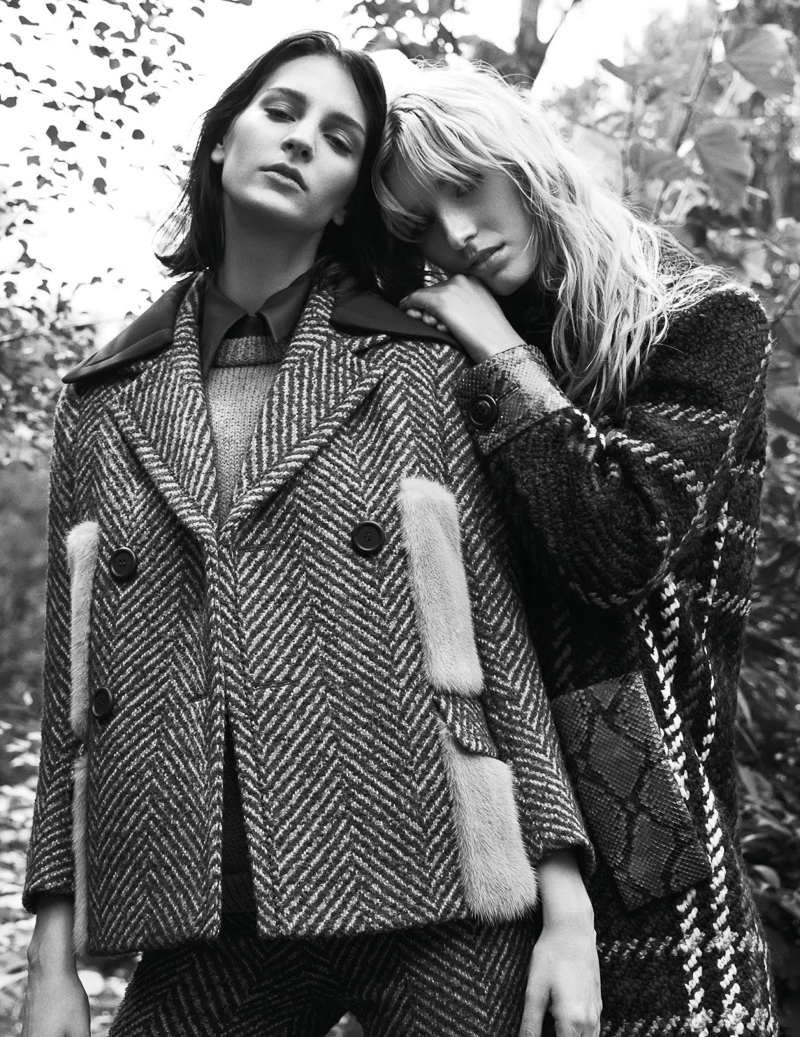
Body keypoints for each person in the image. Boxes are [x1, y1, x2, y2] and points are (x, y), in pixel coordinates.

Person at [22, 32, 602, 1037]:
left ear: (345, 198)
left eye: (338, 138)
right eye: (281, 113)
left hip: (438, 877)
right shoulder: (102, 396)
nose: (301, 142)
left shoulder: (413, 363)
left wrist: (566, 900)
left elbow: (495, 640)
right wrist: (51, 954)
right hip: (203, 904)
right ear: (222, 140)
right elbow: (72, 693)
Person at [374, 61, 778, 1037]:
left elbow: (614, 549)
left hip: (640, 801)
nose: (456, 235)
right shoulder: (430, 354)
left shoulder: (702, 322)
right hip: (469, 802)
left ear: (525, 163)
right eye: (419, 225)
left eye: (465, 186)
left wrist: (501, 355)